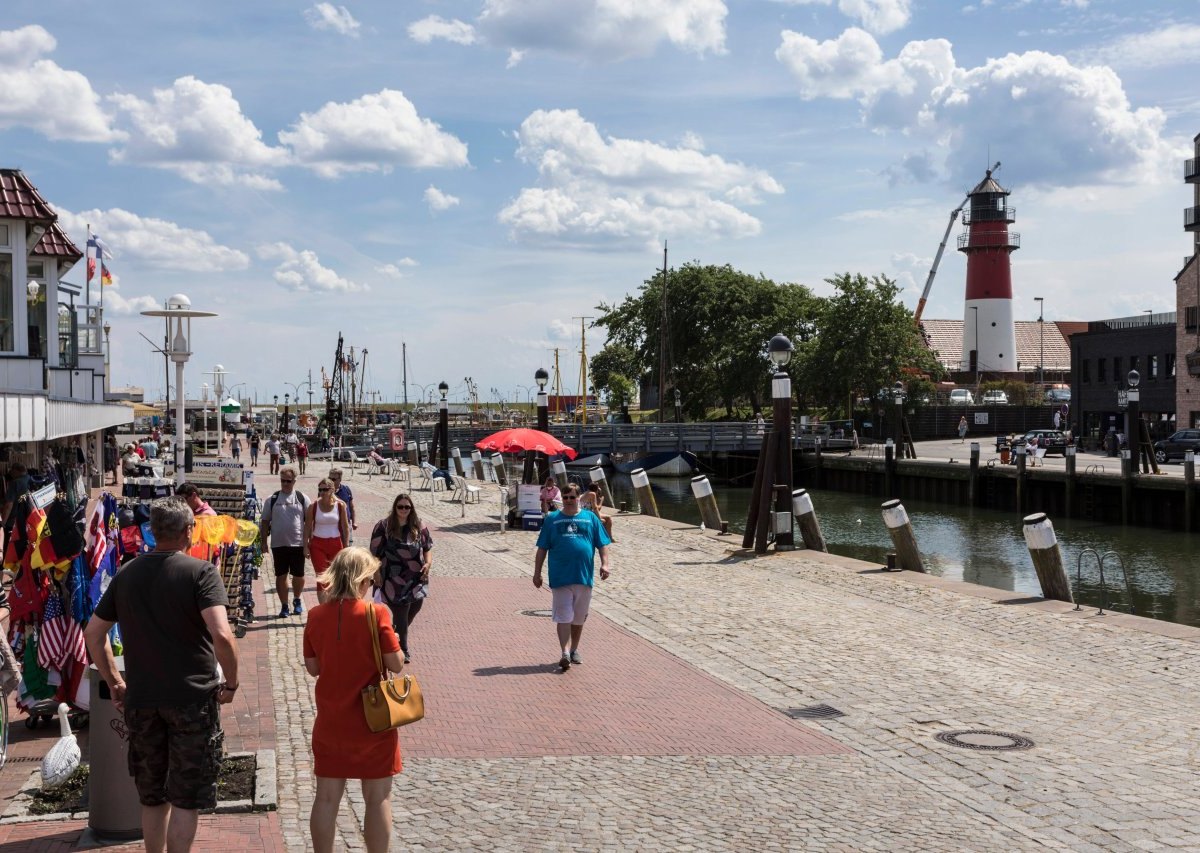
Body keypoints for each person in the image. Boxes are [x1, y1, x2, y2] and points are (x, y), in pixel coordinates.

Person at [83, 497, 239, 853]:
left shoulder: (127, 574)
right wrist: (231, 682)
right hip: (192, 699)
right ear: (189, 531)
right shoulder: (201, 573)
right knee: (186, 796)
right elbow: (222, 635)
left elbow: (93, 633)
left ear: (152, 531)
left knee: (152, 795)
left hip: (143, 700)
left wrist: (114, 681)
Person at [303, 547, 403, 853]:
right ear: (361, 580)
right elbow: (396, 663)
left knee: (326, 798)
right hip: (373, 721)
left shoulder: (316, 615)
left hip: (332, 720)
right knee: (377, 798)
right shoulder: (377, 613)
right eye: (370, 579)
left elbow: (313, 668)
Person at [533, 483, 612, 671]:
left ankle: (575, 649)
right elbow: (542, 548)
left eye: (572, 497)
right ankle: (565, 653)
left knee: (578, 618)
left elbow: (602, 544)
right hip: (560, 576)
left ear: (579, 498)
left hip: (583, 576)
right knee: (564, 616)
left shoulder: (590, 518)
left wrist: (605, 564)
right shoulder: (552, 519)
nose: (568, 500)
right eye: (565, 497)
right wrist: (537, 573)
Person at [369, 493, 432, 664]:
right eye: (400, 507)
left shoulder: (419, 525)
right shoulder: (384, 526)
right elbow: (374, 552)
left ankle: (390, 635)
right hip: (392, 578)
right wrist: (376, 573)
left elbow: (427, 547)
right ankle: (402, 649)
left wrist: (428, 563)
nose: (403, 510)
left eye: (407, 507)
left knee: (416, 606)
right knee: (401, 614)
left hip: (415, 577)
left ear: (411, 509)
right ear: (395, 507)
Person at [261, 467, 311, 618]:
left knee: (298, 575)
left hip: (297, 544)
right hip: (278, 544)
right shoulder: (273, 499)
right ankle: (284, 605)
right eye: (283, 481)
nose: (285, 484)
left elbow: (309, 521)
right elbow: (264, 522)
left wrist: (308, 542)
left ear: (294, 481)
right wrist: (263, 542)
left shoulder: (302, 498)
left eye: (288, 481)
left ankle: (296, 600)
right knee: (281, 575)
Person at [304, 478, 350, 604]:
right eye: (320, 489)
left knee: (336, 576)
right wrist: (305, 546)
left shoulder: (340, 506)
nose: (322, 492)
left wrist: (346, 547)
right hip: (318, 544)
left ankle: (333, 605)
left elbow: (345, 527)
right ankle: (323, 609)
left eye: (325, 489)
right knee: (322, 577)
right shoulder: (313, 506)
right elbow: (307, 526)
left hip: (336, 544)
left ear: (332, 490)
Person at [329, 469, 357, 538]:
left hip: (346, 524)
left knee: (347, 547)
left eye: (333, 479)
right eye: (329, 478)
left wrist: (354, 522)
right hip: (331, 525)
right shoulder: (324, 491)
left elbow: (352, 507)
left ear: (340, 479)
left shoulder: (346, 489)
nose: (330, 481)